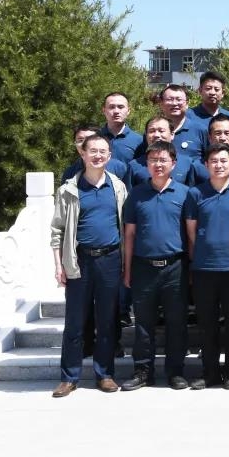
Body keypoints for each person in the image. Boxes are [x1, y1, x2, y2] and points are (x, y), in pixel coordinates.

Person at [50, 135, 127, 397]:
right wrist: (59, 265)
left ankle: (104, 374)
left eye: (103, 151)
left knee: (107, 321)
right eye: (92, 151)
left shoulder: (118, 187)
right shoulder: (69, 190)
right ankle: (69, 377)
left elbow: (124, 226)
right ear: (82, 154)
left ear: (109, 156)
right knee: (75, 322)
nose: (98, 156)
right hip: (79, 260)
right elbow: (57, 231)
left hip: (110, 260)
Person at [121, 141, 192, 391]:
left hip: (175, 266)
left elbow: (191, 234)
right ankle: (143, 371)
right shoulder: (136, 194)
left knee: (176, 322)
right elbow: (129, 234)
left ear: (173, 163)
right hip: (143, 267)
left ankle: (175, 372)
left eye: (163, 160)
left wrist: (192, 266)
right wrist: (127, 269)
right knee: (143, 323)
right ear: (147, 164)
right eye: (153, 160)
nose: (158, 164)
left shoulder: (185, 194)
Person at [184, 143, 229, 390]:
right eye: (213, 161)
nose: (218, 165)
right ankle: (210, 373)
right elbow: (191, 232)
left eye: (223, 161)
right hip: (204, 269)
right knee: (207, 324)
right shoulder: (196, 193)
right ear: (206, 165)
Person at [126, 116, 193, 186]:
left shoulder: (187, 163)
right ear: (146, 135)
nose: (156, 135)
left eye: (161, 131)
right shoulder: (134, 166)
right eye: (152, 131)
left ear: (172, 134)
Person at [189, 115, 229, 186]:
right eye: (218, 133)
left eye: (227, 133)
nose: (222, 138)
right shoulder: (197, 167)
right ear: (210, 138)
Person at [158, 84, 206, 165]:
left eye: (179, 99)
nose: (174, 103)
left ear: (187, 103)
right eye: (169, 99)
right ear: (161, 104)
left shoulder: (200, 130)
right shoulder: (154, 131)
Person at [98, 91, 142, 164]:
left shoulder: (139, 141)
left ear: (128, 111)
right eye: (111, 107)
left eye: (121, 107)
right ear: (104, 110)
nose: (116, 111)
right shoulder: (94, 137)